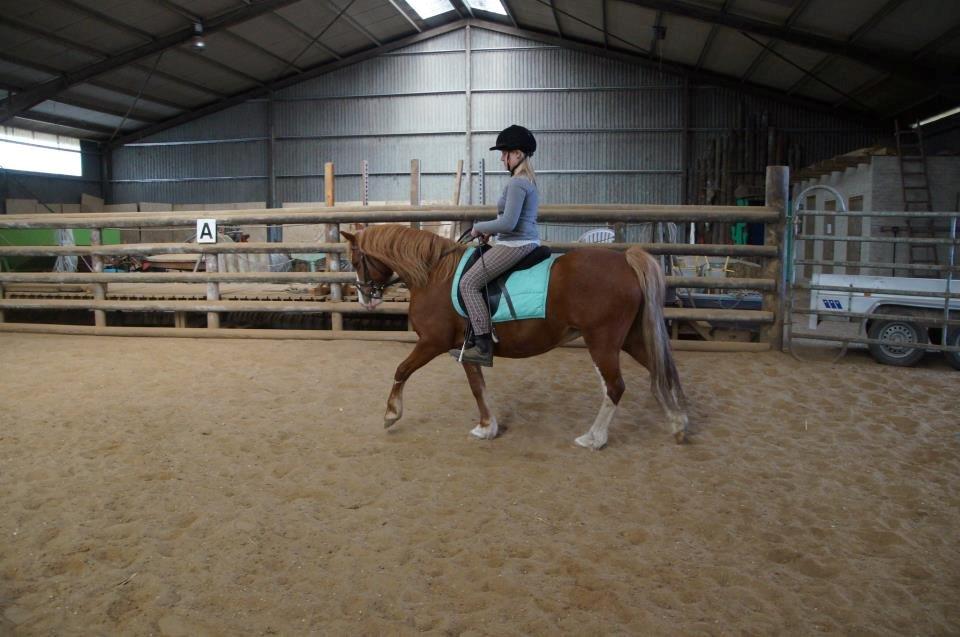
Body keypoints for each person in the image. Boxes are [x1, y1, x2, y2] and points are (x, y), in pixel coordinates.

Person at [453, 124, 541, 367]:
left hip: (516, 244)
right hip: (517, 241)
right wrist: (490, 232)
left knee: (468, 283)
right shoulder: (525, 181)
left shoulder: (517, 183)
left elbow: (509, 222)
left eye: (505, 153)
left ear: (518, 155)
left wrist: (480, 227)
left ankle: (483, 345)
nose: (502, 158)